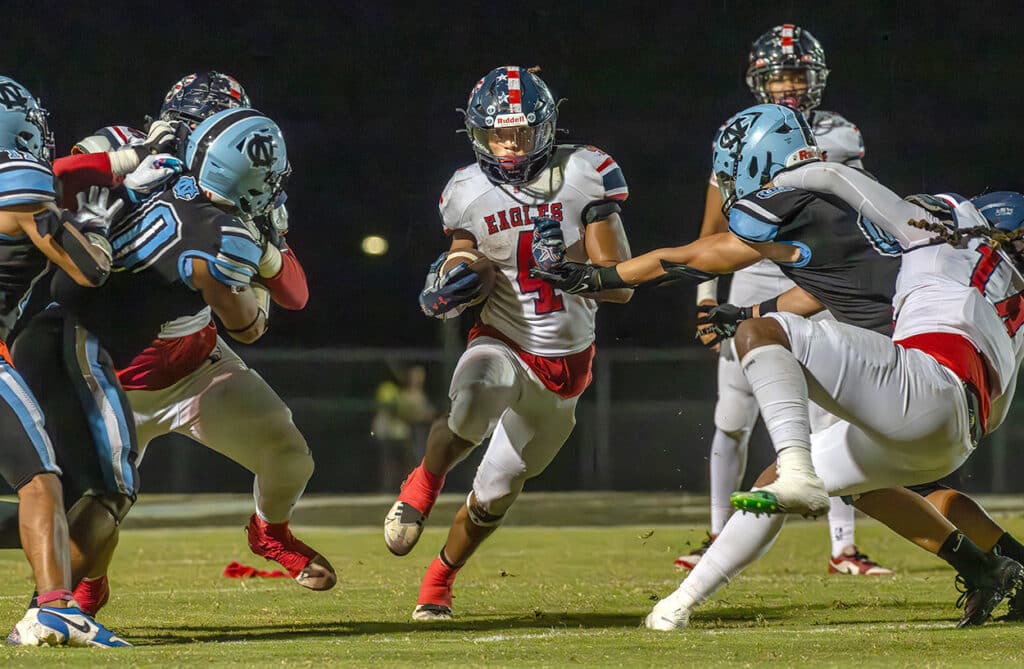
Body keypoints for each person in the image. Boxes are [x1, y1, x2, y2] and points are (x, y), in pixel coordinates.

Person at [534, 104, 1024, 629]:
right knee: (836, 482)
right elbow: (826, 285)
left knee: (767, 361)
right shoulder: (966, 273)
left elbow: (700, 254)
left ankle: (797, 469)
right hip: (951, 405)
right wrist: (749, 311)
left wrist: (598, 278)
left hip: (911, 376)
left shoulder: (808, 190)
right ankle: (674, 608)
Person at [45, 74, 328, 617]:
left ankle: (269, 532)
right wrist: (125, 166)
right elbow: (42, 187)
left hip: (197, 361)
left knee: (290, 456)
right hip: (109, 373)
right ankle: (89, 582)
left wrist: (267, 247)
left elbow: (293, 292)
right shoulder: (122, 147)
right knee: (93, 510)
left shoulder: (235, 187)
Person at [383, 65, 633, 620]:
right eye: (499, 133)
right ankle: (422, 485)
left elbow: (621, 284)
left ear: (544, 129)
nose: (511, 145)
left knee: (495, 493)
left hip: (566, 368)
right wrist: (450, 276)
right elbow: (468, 254)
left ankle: (439, 577)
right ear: (480, 134)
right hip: (503, 336)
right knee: (472, 397)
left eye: (521, 132)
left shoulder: (585, 174)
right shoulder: (467, 189)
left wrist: (568, 268)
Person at [677, 23, 889, 576]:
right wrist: (706, 295)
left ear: (816, 79)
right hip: (750, 275)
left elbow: (858, 209)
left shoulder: (839, 134)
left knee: (828, 411)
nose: (790, 86)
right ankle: (718, 535)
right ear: (758, 81)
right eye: (780, 76)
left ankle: (842, 547)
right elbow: (714, 221)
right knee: (733, 414)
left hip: (816, 272)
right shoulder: (742, 132)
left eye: (798, 74)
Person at [0, 75, 128, 647]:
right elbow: (87, 269)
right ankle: (55, 608)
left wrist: (117, 160)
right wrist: (95, 228)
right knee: (41, 479)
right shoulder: (19, 180)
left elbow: (62, 175)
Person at [373, 365, 436, 491]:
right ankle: (392, 489)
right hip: (400, 434)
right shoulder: (399, 394)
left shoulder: (419, 395)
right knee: (394, 465)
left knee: (413, 463)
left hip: (416, 433)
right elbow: (406, 412)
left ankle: (413, 488)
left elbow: (427, 412)